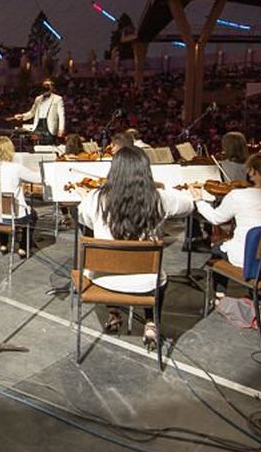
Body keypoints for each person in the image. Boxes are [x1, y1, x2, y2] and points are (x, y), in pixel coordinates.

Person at [78, 147, 193, 347]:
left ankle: (113, 313)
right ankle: (151, 323)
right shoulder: (159, 198)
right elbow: (188, 206)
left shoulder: (96, 198)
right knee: (160, 276)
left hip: (104, 280)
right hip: (146, 282)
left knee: (111, 258)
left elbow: (83, 219)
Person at [196, 153, 261, 318]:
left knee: (218, 248)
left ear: (253, 172)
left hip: (251, 261)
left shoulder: (239, 196)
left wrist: (198, 200)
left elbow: (215, 218)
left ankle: (220, 298)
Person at [0, 136, 40, 257]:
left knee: (3, 205)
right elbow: (38, 179)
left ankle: (3, 244)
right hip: (15, 216)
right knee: (33, 215)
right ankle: (23, 247)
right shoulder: (16, 168)